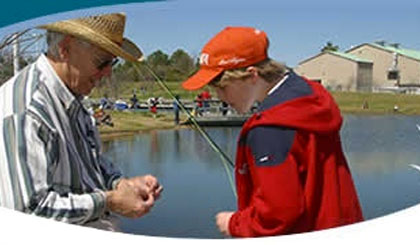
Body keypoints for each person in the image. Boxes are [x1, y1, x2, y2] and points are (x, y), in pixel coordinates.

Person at [182, 27, 363, 237]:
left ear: (252, 76)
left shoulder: (269, 129)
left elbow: (278, 213)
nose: (219, 96)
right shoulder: (308, 95)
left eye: (222, 87)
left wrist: (233, 223)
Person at [0, 13, 162, 230]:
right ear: (65, 48)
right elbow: (29, 210)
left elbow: (89, 166)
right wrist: (110, 200)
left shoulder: (72, 97)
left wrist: (123, 185)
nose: (108, 73)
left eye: (112, 62)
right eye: (102, 62)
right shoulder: (27, 110)